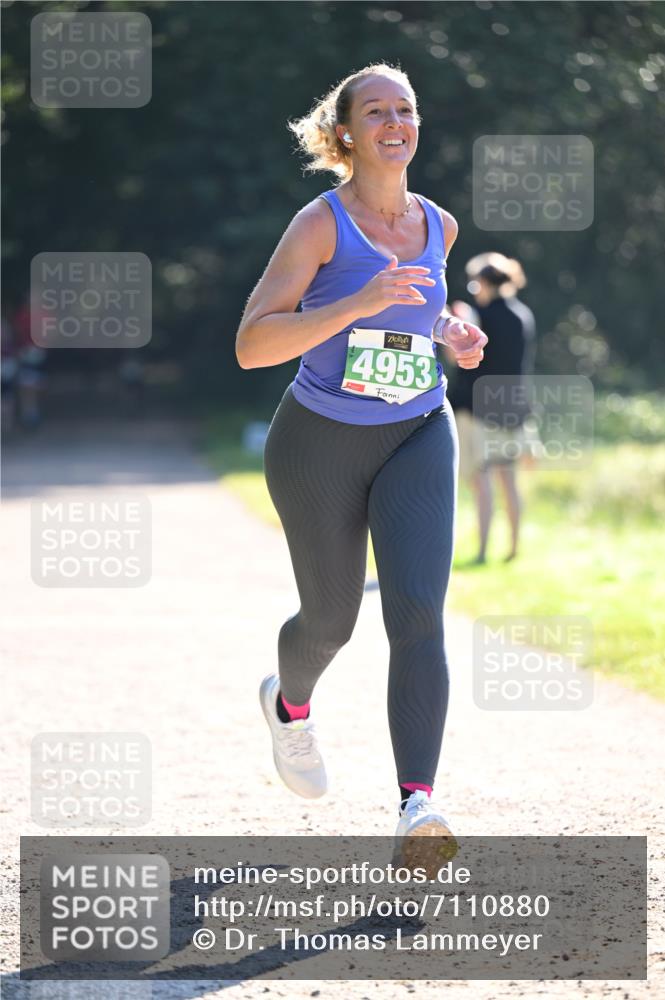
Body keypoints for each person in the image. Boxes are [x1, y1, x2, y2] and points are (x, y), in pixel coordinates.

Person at [235, 63, 487, 873]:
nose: (393, 120)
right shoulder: (319, 224)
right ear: (344, 132)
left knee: (417, 616)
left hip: (417, 427)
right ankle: (289, 701)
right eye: (374, 109)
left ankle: (419, 805)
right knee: (330, 623)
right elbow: (252, 345)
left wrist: (451, 334)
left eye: (405, 108)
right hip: (317, 443)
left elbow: (417, 313)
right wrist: (352, 304)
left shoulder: (438, 225)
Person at [445, 253, 537, 563]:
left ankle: (483, 551)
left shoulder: (479, 316)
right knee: (508, 480)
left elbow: (458, 358)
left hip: (477, 406)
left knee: (480, 480)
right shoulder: (523, 314)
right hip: (512, 406)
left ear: (484, 283)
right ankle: (513, 549)